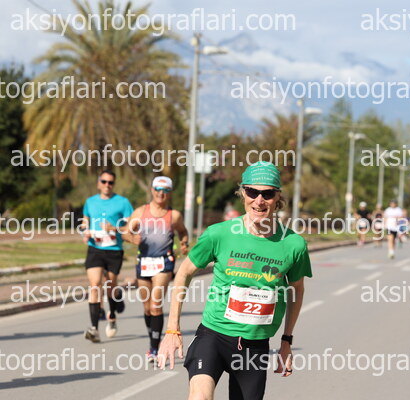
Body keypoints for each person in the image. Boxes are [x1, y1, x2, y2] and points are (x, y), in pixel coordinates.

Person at [158, 161, 312, 400]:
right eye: (252, 192)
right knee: (200, 397)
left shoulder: (293, 244)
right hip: (213, 336)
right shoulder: (219, 234)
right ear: (243, 193)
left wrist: (286, 340)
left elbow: (297, 290)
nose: (259, 201)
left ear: (277, 197)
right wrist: (172, 329)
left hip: (255, 346)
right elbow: (184, 272)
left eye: (267, 194)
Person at [124, 176, 189, 362]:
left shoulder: (174, 215)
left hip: (164, 263)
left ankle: (153, 348)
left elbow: (182, 231)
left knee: (155, 304)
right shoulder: (140, 212)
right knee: (147, 307)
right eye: (158, 189)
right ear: (152, 190)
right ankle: (153, 339)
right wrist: (132, 238)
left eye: (165, 190)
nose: (161, 193)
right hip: (144, 262)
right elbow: (125, 232)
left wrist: (184, 242)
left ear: (170, 193)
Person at [81, 170, 133, 343]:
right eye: (104, 181)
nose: (107, 185)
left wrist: (114, 228)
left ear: (113, 184)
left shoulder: (123, 202)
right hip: (95, 248)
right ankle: (94, 329)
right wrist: (85, 232)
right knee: (95, 285)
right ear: (98, 183)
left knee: (111, 285)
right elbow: (85, 222)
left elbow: (131, 226)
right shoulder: (90, 202)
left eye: (110, 182)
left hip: (114, 250)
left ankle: (112, 316)